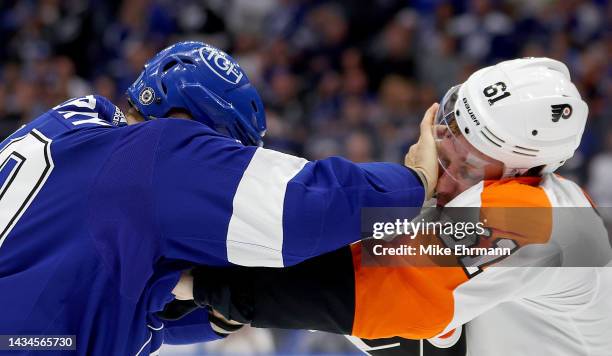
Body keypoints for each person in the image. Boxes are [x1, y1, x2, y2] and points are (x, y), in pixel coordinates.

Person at [0, 41, 438, 355]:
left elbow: (112, 303)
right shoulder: (157, 152)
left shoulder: (72, 127)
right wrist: (414, 181)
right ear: (185, 119)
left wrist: (215, 312)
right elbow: (306, 205)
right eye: (226, 152)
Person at [184, 58, 612, 355]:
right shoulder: (499, 202)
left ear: (525, 168)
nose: (444, 167)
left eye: (470, 163)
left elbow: (362, 289)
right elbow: (362, 248)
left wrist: (199, 283)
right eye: (449, 135)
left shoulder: (543, 221)